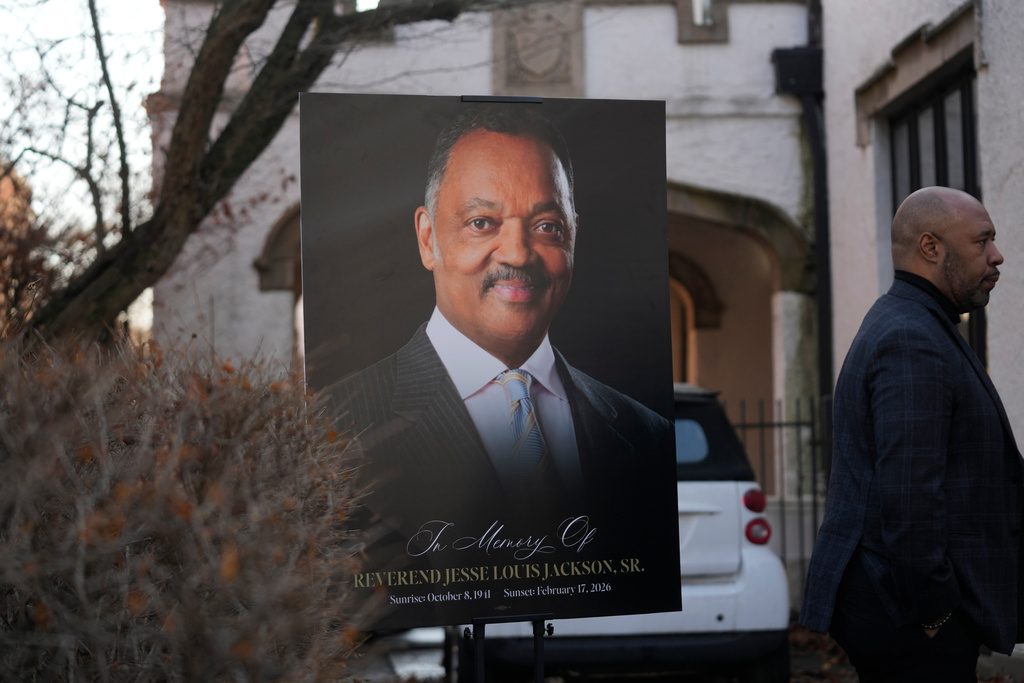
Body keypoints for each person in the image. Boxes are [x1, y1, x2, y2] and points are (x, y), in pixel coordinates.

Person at [331, 107, 673, 537]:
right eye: (482, 223)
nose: (517, 253)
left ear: (574, 236)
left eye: (547, 226)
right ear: (428, 238)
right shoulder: (332, 431)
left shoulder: (647, 435)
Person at [800, 186, 1024, 681]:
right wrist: (934, 611)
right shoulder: (910, 337)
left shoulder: (919, 323)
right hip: (907, 614)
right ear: (931, 248)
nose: (997, 255)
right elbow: (909, 491)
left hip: (900, 608)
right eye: (982, 241)